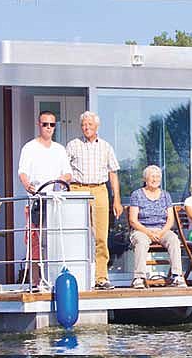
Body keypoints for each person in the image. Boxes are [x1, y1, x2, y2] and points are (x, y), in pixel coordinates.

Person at [66, 111, 122, 289]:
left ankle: (101, 277)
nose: (86, 127)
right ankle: (75, 274)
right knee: (77, 234)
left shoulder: (105, 146)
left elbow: (113, 174)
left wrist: (117, 200)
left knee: (101, 235)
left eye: (90, 124)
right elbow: (64, 170)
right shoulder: (73, 145)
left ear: (97, 126)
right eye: (84, 124)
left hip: (99, 189)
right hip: (78, 188)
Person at [17, 111, 70, 281]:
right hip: (36, 202)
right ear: (39, 125)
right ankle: (35, 281)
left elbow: (68, 173)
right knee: (34, 242)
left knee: (55, 240)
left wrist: (62, 179)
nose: (48, 128)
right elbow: (22, 172)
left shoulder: (60, 150)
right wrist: (27, 185)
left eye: (52, 125)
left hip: (55, 201)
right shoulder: (30, 147)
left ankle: (55, 278)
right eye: (45, 124)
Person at [126, 165, 185, 288]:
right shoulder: (137, 194)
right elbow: (133, 220)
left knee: (174, 239)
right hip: (141, 229)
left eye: (158, 176)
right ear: (145, 179)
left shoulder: (165, 195)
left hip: (161, 230)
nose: (155, 179)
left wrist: (161, 232)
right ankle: (139, 277)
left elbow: (170, 219)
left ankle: (177, 275)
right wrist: (149, 233)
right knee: (141, 241)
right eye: (152, 176)